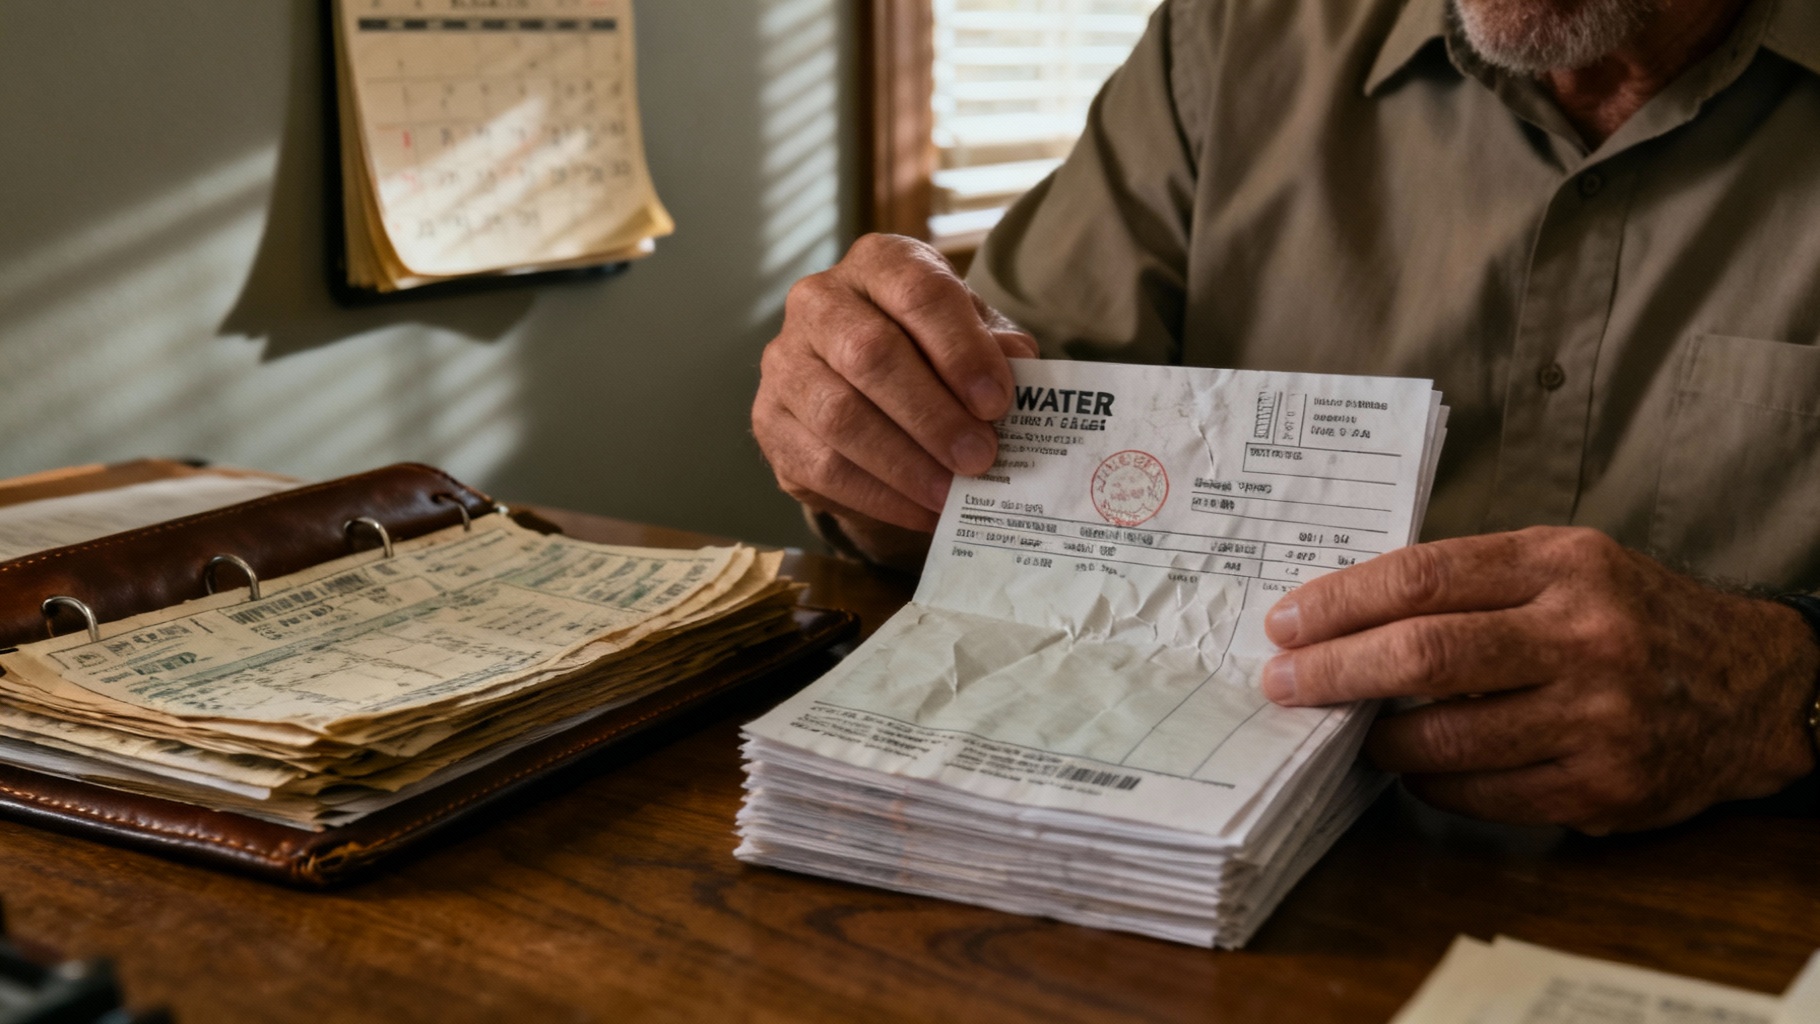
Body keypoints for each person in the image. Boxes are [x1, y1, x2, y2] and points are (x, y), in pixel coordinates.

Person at [750, 0, 1820, 834]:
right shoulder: (1229, 38)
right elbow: (988, 457)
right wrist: (880, 437)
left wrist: (1782, 692)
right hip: (1216, 873)